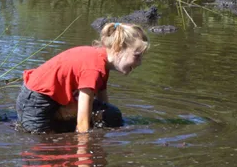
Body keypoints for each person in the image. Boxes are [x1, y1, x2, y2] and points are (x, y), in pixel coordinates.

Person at [16, 23, 149, 133]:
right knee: (43, 142)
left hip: (54, 100)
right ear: (118, 48)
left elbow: (104, 107)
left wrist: (110, 129)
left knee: (112, 114)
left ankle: (59, 118)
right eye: (137, 56)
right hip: (35, 101)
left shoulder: (102, 63)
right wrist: (84, 152)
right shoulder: (93, 69)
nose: (140, 63)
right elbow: (82, 123)